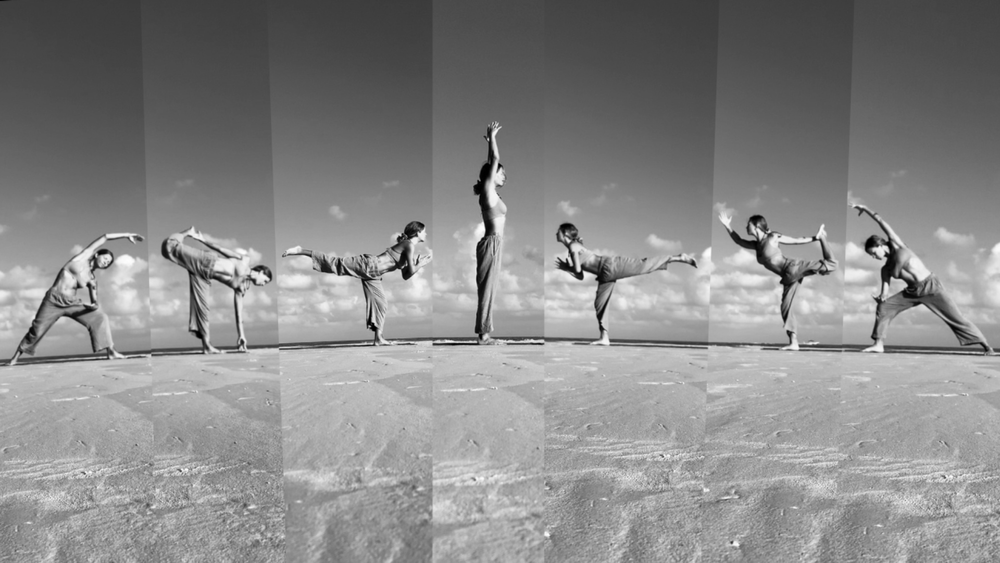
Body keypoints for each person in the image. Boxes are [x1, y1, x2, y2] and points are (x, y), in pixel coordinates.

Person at [853, 203, 994, 355]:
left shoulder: (898, 245)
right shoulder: (885, 269)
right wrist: (881, 298)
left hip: (931, 287)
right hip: (912, 292)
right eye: (871, 256)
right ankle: (878, 344)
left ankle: (987, 347)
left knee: (956, 317)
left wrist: (865, 209)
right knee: (884, 308)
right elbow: (885, 293)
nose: (874, 257)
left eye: (874, 253)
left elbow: (881, 221)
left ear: (880, 245)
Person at [282, 221, 431, 346]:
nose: (426, 234)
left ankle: (378, 338)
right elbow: (411, 270)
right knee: (336, 263)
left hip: (374, 275)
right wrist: (421, 264)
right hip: (368, 265)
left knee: (381, 303)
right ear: (418, 232)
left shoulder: (408, 247)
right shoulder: (409, 245)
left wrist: (417, 264)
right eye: (424, 231)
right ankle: (301, 250)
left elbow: (406, 275)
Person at [6, 232, 144, 366]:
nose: (105, 263)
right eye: (105, 259)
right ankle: (15, 358)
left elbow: (95, 301)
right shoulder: (81, 258)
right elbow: (105, 237)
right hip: (53, 300)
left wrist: (94, 305)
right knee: (37, 330)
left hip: (71, 303)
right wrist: (127, 235)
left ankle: (111, 351)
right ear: (97, 254)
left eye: (108, 263)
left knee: (101, 317)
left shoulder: (92, 279)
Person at [554, 223, 697, 345]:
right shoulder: (574, 247)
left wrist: (567, 268)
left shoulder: (573, 246)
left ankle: (678, 257)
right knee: (599, 304)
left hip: (609, 266)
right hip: (604, 275)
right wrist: (569, 267)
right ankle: (604, 338)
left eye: (558, 231)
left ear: (565, 233)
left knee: (642, 265)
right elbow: (580, 275)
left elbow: (578, 271)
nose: (556, 233)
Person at [718, 211, 837, 350]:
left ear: (756, 226)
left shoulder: (772, 237)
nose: (746, 227)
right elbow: (738, 240)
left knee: (831, 265)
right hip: (787, 277)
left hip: (792, 267)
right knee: (786, 308)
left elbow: (795, 240)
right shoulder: (756, 245)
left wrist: (815, 238)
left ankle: (823, 239)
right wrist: (727, 226)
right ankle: (794, 342)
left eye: (748, 224)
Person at [161, 227, 272, 354]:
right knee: (169, 247)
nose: (263, 284)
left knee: (203, 310)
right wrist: (202, 240)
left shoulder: (241, 288)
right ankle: (187, 231)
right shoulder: (244, 260)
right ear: (261, 272)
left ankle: (207, 347)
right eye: (265, 281)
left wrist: (241, 335)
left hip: (204, 276)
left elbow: (239, 315)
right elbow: (221, 249)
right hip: (205, 260)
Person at [473, 121, 506, 345]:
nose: (504, 176)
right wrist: (493, 138)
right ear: (491, 175)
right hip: (492, 243)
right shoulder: (487, 192)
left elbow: (490, 163)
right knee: (487, 288)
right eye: (502, 173)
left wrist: (489, 144)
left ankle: (485, 332)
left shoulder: (491, 193)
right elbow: (493, 160)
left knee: (490, 288)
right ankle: (484, 335)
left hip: (495, 243)